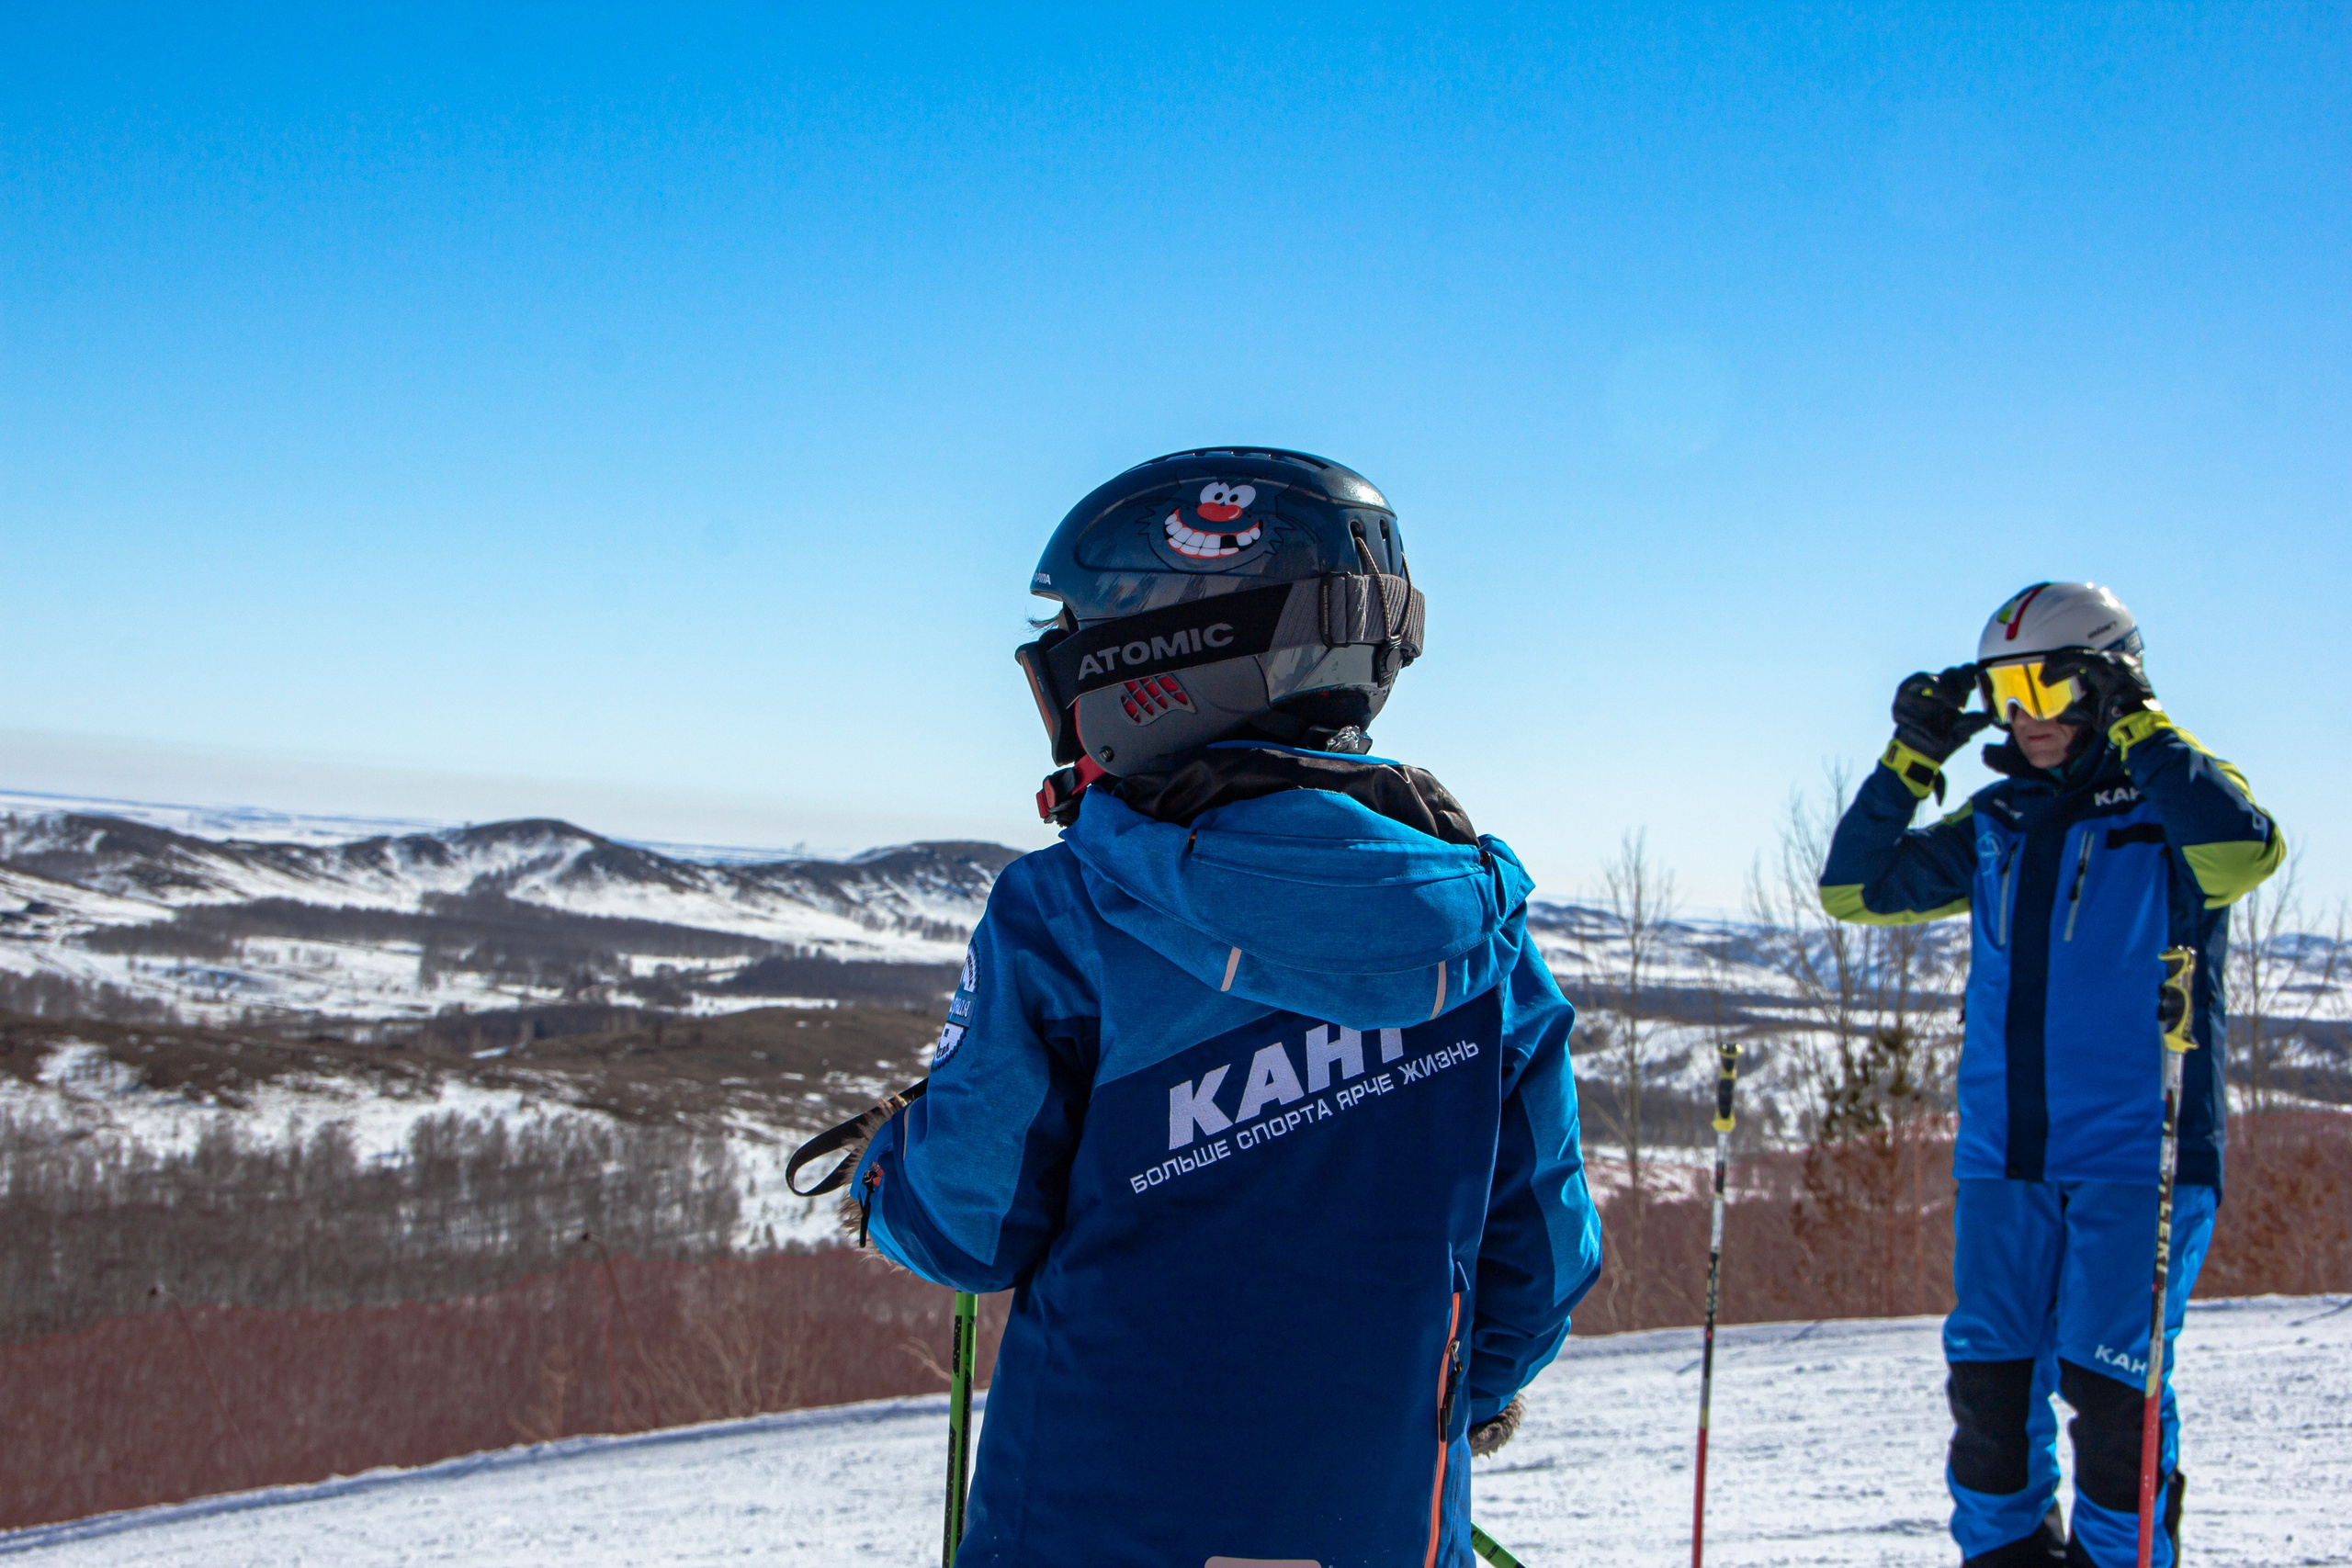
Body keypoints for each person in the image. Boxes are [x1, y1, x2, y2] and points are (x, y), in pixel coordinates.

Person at [841, 448, 1602, 1568]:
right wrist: (1429, 1401)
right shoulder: (1484, 935)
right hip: (1380, 1520)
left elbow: (966, 1223)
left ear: (1155, 657)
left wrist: (882, 1171)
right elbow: (1537, 1259)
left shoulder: (1067, 909)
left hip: (1082, 1518)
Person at [1818, 581, 2284, 1568]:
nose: (2026, 716)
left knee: (2115, 1406)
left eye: (2049, 685)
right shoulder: (1999, 823)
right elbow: (1854, 889)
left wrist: (2146, 727)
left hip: (2137, 1158)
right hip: (2003, 1158)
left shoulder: (2173, 811)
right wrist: (1911, 758)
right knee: (1988, 1400)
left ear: (2109, 683)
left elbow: (2247, 853)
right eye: (2002, 692)